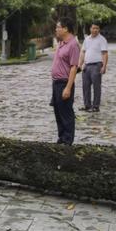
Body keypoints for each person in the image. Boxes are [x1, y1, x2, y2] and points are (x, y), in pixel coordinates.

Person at [51, 17, 80, 145]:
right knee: (58, 111)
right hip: (56, 82)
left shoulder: (73, 44)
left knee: (66, 112)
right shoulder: (61, 42)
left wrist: (68, 87)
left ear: (66, 28)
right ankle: (61, 137)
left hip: (64, 82)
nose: (56, 30)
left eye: (58, 27)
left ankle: (68, 140)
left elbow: (74, 67)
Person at [78, 21, 108, 112]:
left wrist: (104, 66)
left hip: (97, 65)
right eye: (93, 28)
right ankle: (87, 105)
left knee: (96, 87)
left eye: (97, 28)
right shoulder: (87, 39)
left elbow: (104, 53)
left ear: (99, 29)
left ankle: (95, 106)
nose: (95, 30)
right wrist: (80, 64)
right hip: (86, 66)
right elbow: (83, 52)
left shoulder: (102, 39)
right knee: (85, 86)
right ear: (90, 28)